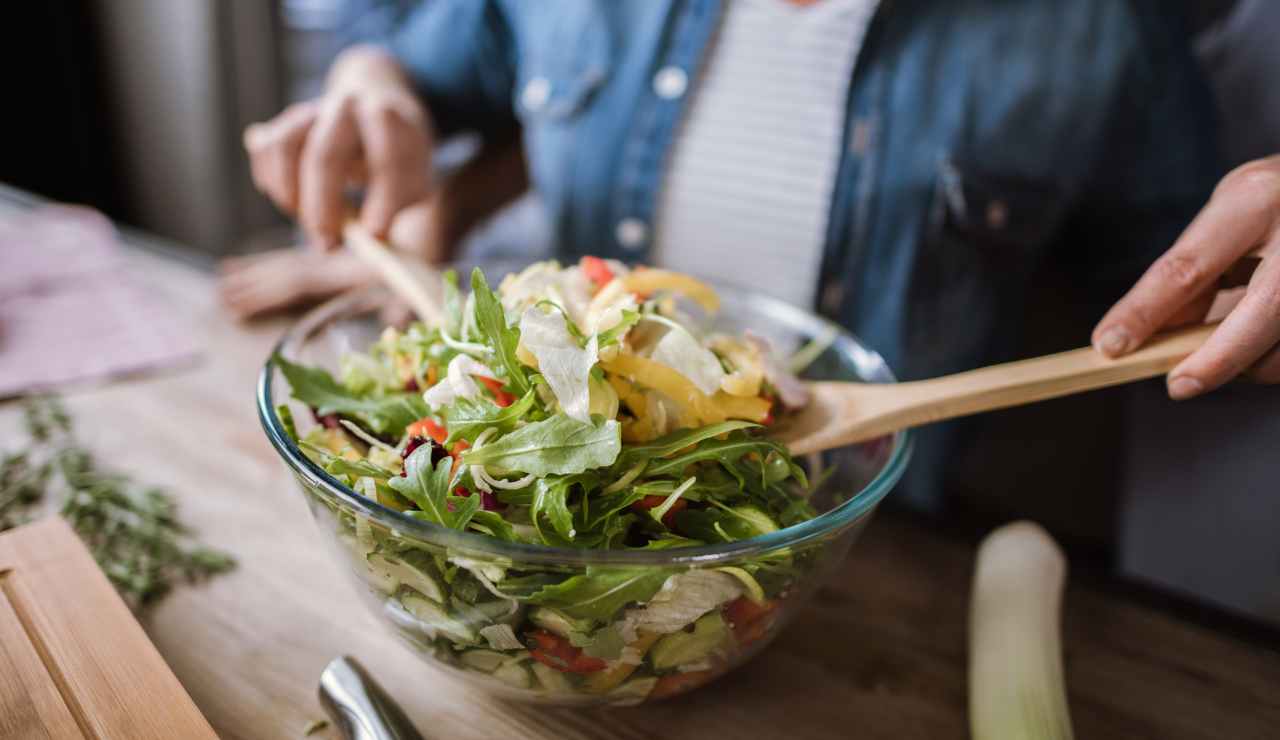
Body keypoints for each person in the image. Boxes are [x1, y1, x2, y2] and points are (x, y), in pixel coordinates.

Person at [242, 0, 1224, 509]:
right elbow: (426, 67)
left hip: (863, 548)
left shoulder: (1101, 28)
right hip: (522, 524)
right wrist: (375, 95)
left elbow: (1186, 293)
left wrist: (1240, 314)